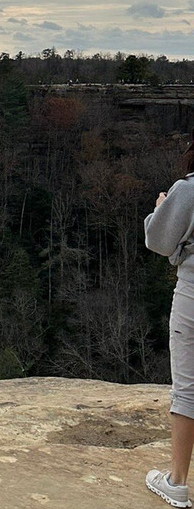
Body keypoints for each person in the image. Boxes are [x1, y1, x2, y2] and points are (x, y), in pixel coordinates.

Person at [146, 131, 194, 508]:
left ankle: (177, 482)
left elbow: (159, 241)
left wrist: (161, 208)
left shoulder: (188, 189)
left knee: (188, 387)